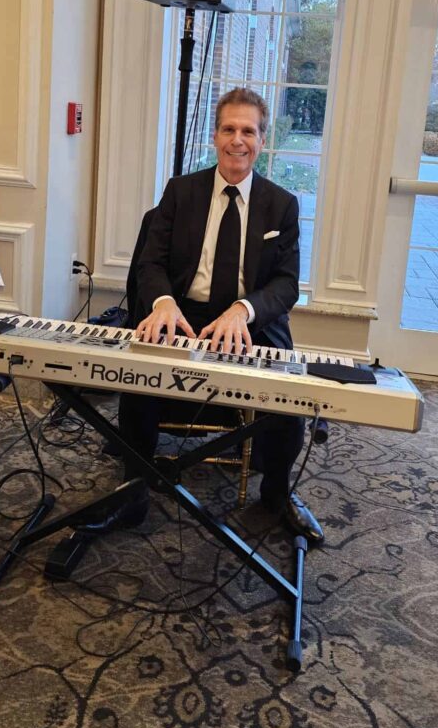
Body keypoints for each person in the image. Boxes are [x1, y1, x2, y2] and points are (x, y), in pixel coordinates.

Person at [117, 87, 324, 545]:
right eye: (229, 129)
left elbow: (286, 284)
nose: (238, 140)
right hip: (184, 312)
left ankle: (275, 495)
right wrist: (163, 302)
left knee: (288, 399)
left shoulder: (281, 205)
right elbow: (151, 263)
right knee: (139, 374)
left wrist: (242, 309)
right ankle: (132, 486)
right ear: (214, 136)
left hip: (249, 320)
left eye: (248, 131)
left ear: (262, 141)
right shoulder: (181, 192)